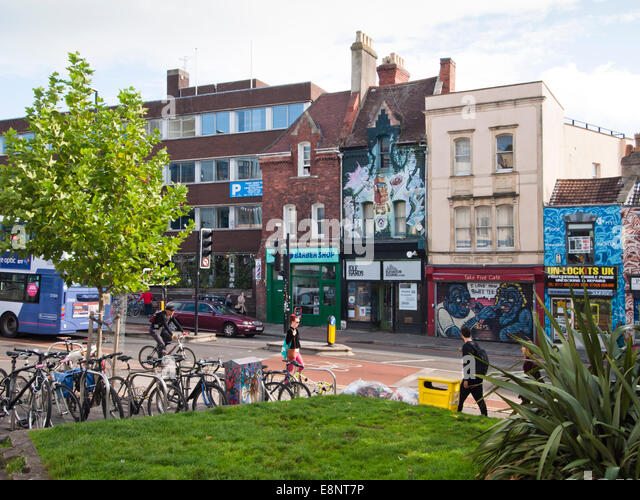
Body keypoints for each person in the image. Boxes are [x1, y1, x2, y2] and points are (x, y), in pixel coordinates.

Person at [457, 326, 488, 417]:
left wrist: (466, 380)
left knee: (460, 398)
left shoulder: (466, 346)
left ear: (462, 335)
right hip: (478, 377)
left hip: (470, 378)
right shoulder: (475, 344)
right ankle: (485, 415)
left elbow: (467, 363)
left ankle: (457, 414)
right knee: (479, 399)